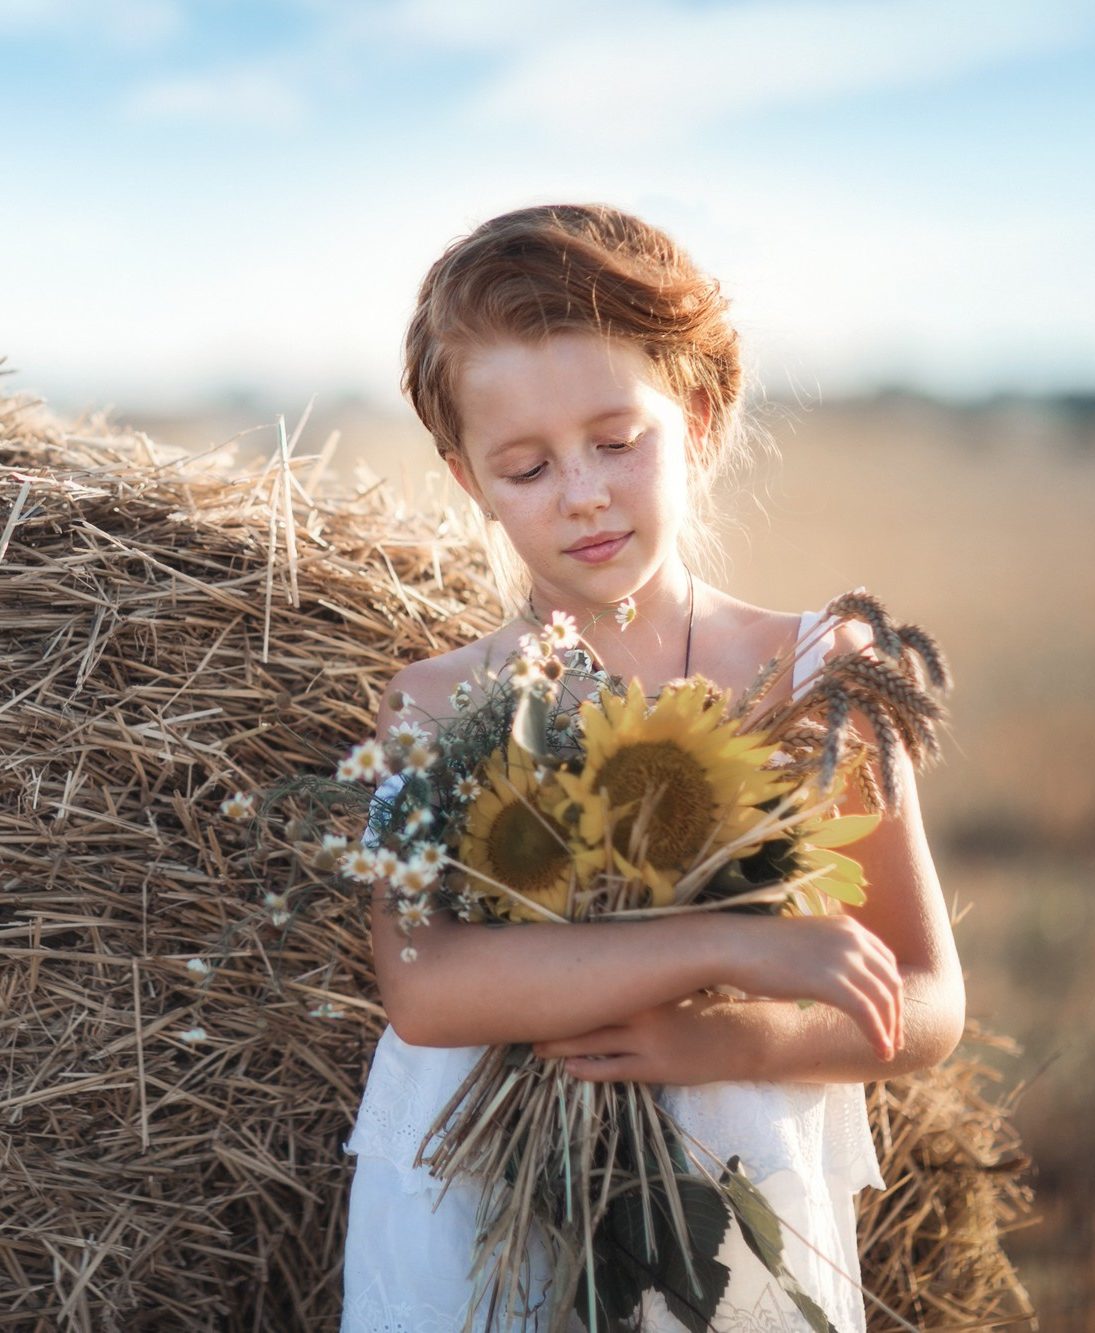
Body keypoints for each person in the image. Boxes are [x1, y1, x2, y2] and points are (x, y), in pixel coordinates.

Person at [338, 205, 966, 1332]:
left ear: (700, 416)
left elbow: (924, 1002)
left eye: (616, 441)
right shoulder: (436, 704)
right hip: (477, 1199)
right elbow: (424, 987)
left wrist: (725, 1035)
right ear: (467, 478)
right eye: (524, 467)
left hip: (732, 1188)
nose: (581, 492)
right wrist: (733, 943)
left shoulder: (817, 677)